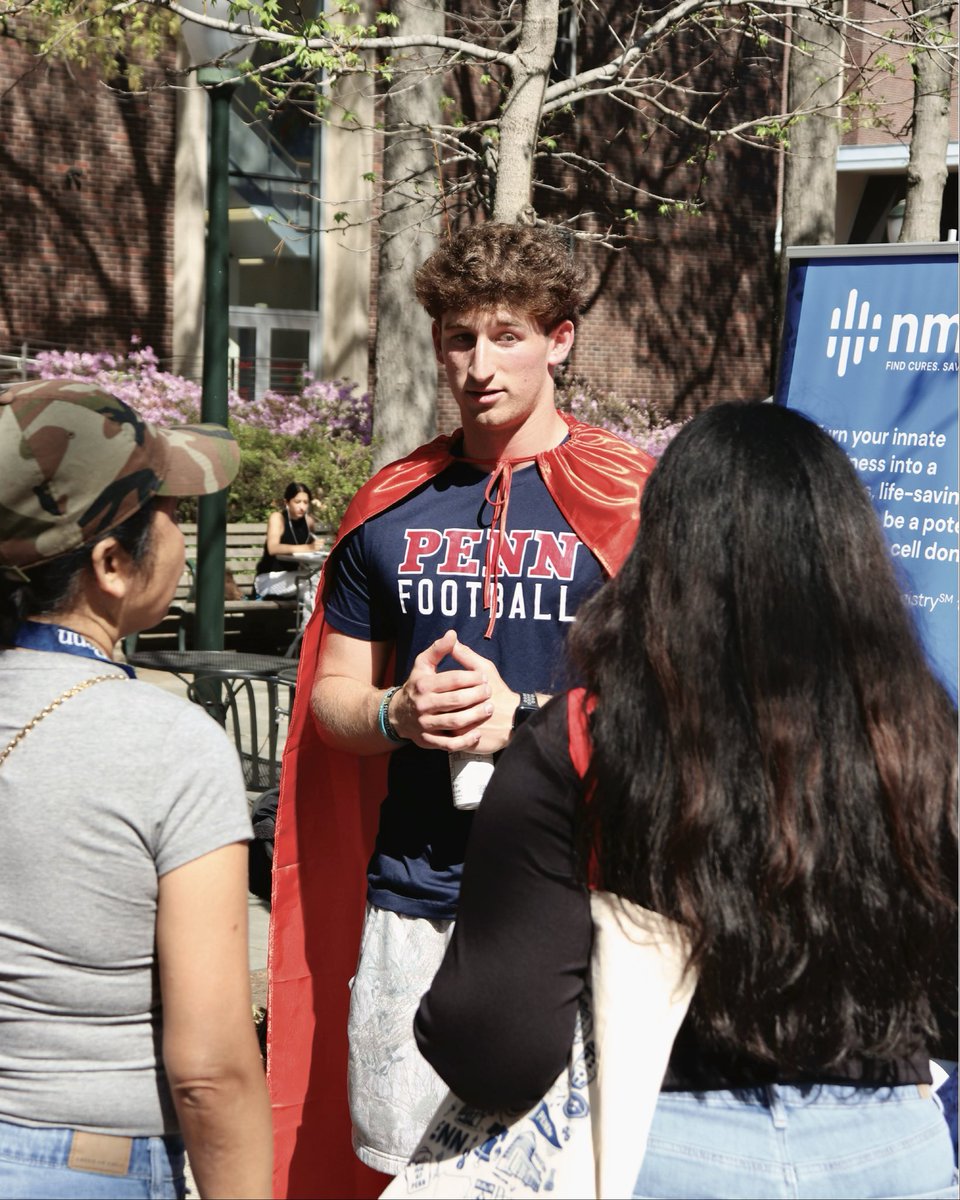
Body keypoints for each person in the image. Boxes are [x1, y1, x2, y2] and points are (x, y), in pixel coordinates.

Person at [414, 401, 959, 1200]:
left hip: (663, 1144)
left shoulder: (584, 739)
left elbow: (497, 1049)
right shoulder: (922, 736)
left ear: (663, 551)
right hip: (895, 1151)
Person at [267, 222, 654, 1196]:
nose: (480, 366)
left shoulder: (639, 506)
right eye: (459, 338)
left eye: (507, 336)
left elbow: (682, 712)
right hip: (417, 901)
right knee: (408, 1176)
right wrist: (396, 714)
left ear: (559, 339)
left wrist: (527, 717)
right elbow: (332, 702)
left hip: (586, 900)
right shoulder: (391, 508)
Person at [0, 380, 272, 1199]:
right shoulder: (170, 745)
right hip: (83, 1164)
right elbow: (210, 1069)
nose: (182, 534)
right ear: (112, 566)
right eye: (170, 512)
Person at [254, 481, 318, 599]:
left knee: (315, 585)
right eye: (297, 502)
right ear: (287, 502)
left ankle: (308, 612)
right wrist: (308, 548)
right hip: (270, 579)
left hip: (295, 578)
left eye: (305, 502)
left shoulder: (308, 522)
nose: (302, 507)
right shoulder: (277, 518)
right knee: (313, 580)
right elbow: (273, 548)